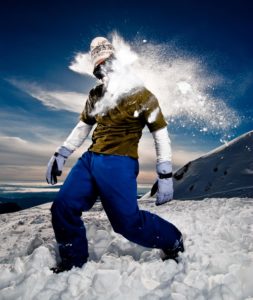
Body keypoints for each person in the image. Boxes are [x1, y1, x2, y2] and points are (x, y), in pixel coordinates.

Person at [46, 37, 184, 273]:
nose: (104, 71)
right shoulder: (95, 94)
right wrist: (62, 153)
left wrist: (164, 172)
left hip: (119, 161)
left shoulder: (141, 94)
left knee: (127, 224)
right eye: (99, 68)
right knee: (63, 206)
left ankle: (173, 240)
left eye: (108, 63)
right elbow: (83, 126)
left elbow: (160, 133)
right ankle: (72, 263)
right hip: (91, 159)